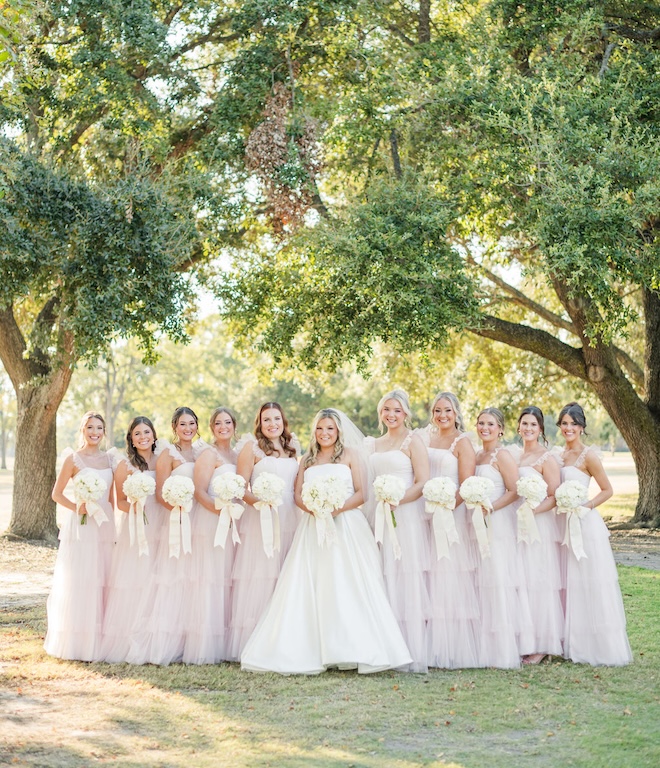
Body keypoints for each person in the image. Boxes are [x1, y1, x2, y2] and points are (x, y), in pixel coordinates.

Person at [241, 409, 412, 674]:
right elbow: (297, 494)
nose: (324, 433)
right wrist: (313, 508)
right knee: (314, 583)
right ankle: (313, 648)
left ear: (338, 431)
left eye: (330, 428)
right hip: (313, 527)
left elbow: (362, 493)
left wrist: (335, 508)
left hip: (346, 526)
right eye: (320, 428)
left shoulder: (351, 455)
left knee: (348, 583)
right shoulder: (306, 459)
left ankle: (357, 649)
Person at [127, 406, 206, 665]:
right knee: (175, 578)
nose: (187, 429)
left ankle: (192, 638)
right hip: (177, 520)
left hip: (202, 521)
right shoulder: (166, 454)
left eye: (191, 423)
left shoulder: (204, 451)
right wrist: (179, 511)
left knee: (195, 579)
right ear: (174, 427)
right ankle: (168, 640)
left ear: (197, 425)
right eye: (182, 424)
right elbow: (160, 494)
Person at [557, 402, 632, 666]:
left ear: (582, 427)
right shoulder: (557, 455)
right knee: (567, 583)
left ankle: (595, 645)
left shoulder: (588, 456)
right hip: (561, 525)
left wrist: (584, 506)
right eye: (564, 423)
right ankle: (568, 642)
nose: (569, 428)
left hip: (584, 524)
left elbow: (606, 490)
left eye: (573, 424)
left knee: (587, 581)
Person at [228, 402, 301, 660]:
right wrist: (260, 503)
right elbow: (240, 486)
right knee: (262, 575)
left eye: (277, 419)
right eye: (267, 419)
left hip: (291, 516)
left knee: (286, 573)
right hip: (260, 518)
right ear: (260, 422)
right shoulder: (252, 447)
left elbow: (296, 487)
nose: (272, 424)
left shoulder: (294, 447)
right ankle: (256, 640)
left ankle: (285, 636)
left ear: (284, 420)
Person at [364, 389, 431, 673]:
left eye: (397, 410)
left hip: (406, 516)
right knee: (381, 574)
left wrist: (397, 501)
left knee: (405, 575)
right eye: (386, 410)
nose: (391, 415)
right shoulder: (373, 444)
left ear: (406, 413)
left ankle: (410, 647)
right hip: (378, 515)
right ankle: (385, 646)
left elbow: (423, 480)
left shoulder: (413, 441)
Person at [45, 412, 116, 661]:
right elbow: (56, 494)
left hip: (104, 525)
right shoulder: (73, 459)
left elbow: (112, 499)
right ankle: (78, 640)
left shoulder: (110, 460)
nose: (94, 432)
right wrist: (78, 506)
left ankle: (101, 638)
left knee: (104, 578)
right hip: (82, 525)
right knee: (83, 578)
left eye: (99, 427)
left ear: (104, 431)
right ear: (82, 430)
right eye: (90, 427)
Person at [418, 392, 481, 669]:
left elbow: (466, 486)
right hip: (423, 513)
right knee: (427, 572)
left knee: (446, 574)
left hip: (449, 515)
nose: (442, 415)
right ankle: (426, 640)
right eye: (437, 411)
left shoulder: (463, 443)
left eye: (447, 410)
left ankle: (449, 645)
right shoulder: (426, 439)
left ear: (456, 413)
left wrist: (445, 510)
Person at [102, 416, 162, 662]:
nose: (143, 437)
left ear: (154, 435)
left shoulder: (163, 459)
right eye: (137, 433)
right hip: (134, 524)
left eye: (146, 432)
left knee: (156, 576)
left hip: (159, 522)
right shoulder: (125, 465)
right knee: (135, 576)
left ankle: (153, 633)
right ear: (131, 438)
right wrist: (136, 507)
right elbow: (120, 502)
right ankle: (130, 635)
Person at [473, 407, 529, 668]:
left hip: (498, 521)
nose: (485, 428)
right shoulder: (476, 455)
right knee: (481, 579)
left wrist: (491, 506)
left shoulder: (501, 455)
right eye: (481, 423)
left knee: (498, 577)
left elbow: (515, 490)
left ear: (501, 429)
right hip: (476, 522)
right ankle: (483, 642)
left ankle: (504, 647)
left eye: (491, 424)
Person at [185, 407, 239, 664]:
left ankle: (226, 641)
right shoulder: (209, 453)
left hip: (234, 523)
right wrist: (219, 511)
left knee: (227, 578)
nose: (223, 427)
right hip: (211, 521)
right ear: (211, 427)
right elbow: (199, 491)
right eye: (218, 423)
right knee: (211, 578)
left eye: (227, 422)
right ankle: (206, 645)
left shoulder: (238, 454)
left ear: (234, 425)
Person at [515, 406, 564, 664]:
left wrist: (532, 512)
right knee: (522, 580)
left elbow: (554, 496)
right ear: (518, 427)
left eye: (533, 425)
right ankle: (526, 638)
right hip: (518, 525)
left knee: (538, 580)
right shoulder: (516, 456)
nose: (528, 429)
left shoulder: (547, 458)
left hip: (539, 525)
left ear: (541, 429)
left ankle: (543, 643)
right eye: (525, 424)